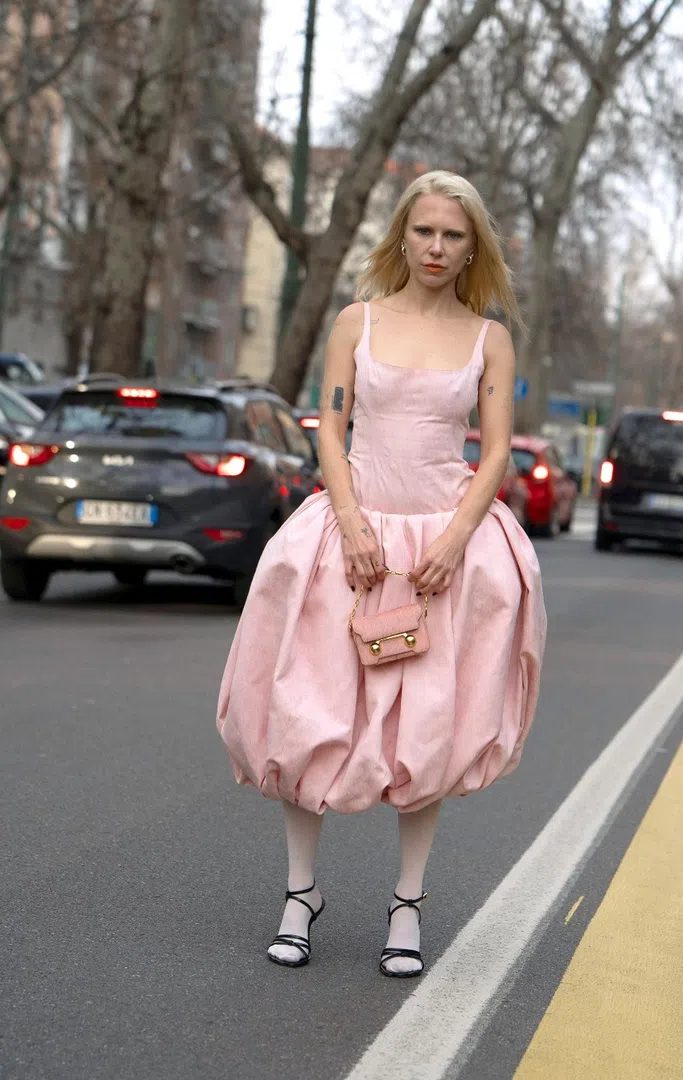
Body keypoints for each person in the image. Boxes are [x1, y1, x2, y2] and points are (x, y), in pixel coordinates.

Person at [217, 170, 546, 978]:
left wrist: (455, 540)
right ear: (403, 233)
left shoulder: (488, 338)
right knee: (305, 711)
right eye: (426, 231)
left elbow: (495, 449)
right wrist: (354, 522)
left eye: (454, 236)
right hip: (348, 538)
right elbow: (331, 428)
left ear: (475, 247)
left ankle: (407, 907)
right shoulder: (355, 323)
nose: (437, 248)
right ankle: (301, 896)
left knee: (427, 728)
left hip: (443, 547)